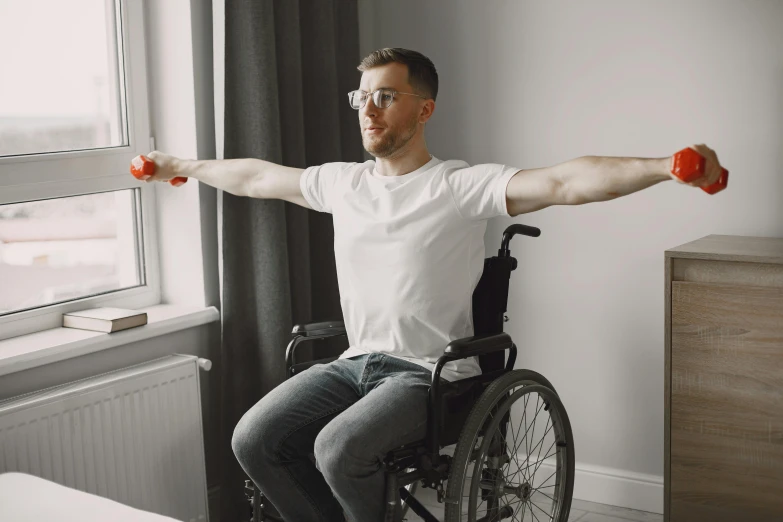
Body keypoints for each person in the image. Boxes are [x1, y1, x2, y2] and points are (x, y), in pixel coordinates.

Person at [133, 48, 725, 522]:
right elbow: (258, 176)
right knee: (253, 438)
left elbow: (566, 181)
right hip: (354, 363)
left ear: (424, 109)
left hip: (429, 374)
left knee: (336, 450)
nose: (368, 109)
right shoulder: (343, 184)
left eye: (385, 97)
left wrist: (665, 168)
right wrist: (181, 166)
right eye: (361, 97)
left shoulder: (459, 187)